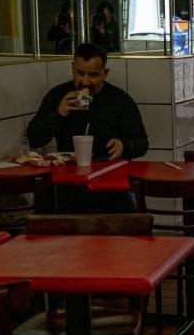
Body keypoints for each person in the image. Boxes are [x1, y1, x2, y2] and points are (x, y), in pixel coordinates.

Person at [26, 43, 148, 212]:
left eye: (93, 75)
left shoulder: (119, 100)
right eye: (80, 73)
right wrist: (59, 113)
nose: (85, 81)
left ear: (105, 74)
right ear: (72, 69)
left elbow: (142, 143)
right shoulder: (58, 95)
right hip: (67, 182)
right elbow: (34, 137)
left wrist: (123, 145)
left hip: (109, 182)